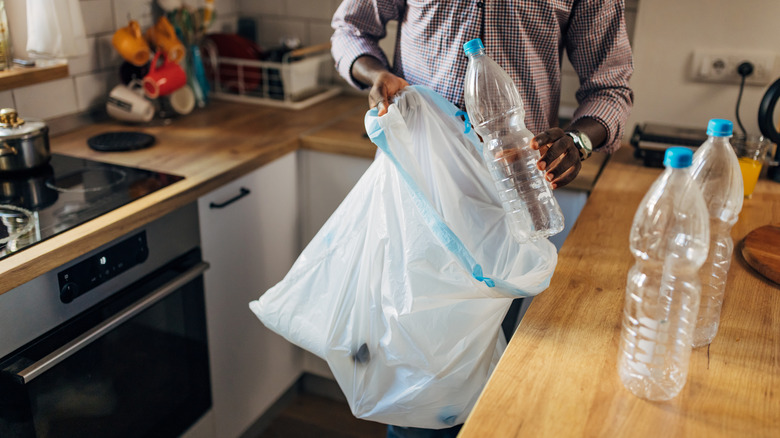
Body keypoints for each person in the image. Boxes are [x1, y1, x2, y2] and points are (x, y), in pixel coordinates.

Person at [331, 1, 633, 436]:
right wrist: (374, 75)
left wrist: (579, 140)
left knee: (480, 388)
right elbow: (350, 28)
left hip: (507, 207)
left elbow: (611, 86)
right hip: (417, 195)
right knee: (416, 386)